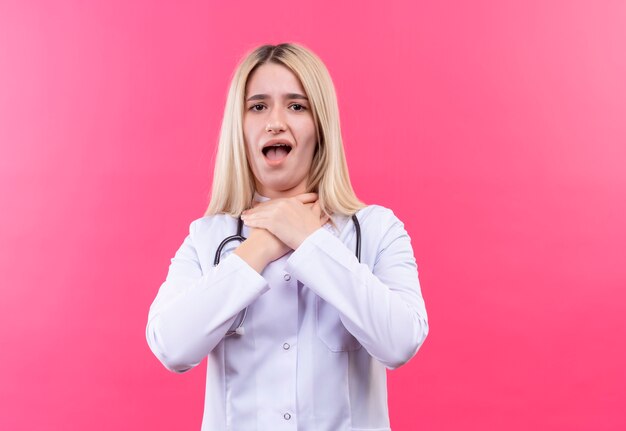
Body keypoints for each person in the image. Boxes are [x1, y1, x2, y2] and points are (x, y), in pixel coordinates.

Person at [146, 42, 428, 431]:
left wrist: (312, 241)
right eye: (258, 106)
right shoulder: (207, 238)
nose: (275, 122)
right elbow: (172, 347)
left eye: (296, 106)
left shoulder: (378, 229)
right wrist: (261, 247)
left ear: (320, 126)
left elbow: (400, 343)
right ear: (240, 128)